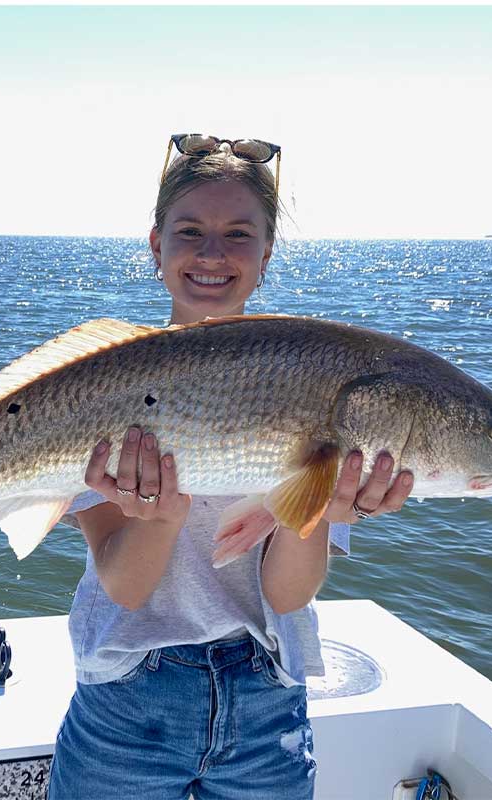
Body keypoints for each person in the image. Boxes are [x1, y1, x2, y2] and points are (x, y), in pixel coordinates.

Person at [48, 134, 413, 800]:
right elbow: (125, 590)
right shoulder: (92, 390)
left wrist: (321, 509)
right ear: (155, 245)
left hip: (268, 697)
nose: (213, 254)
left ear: (267, 253)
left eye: (239, 234)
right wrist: (158, 520)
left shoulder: (317, 386)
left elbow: (286, 596)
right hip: (126, 697)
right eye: (191, 231)